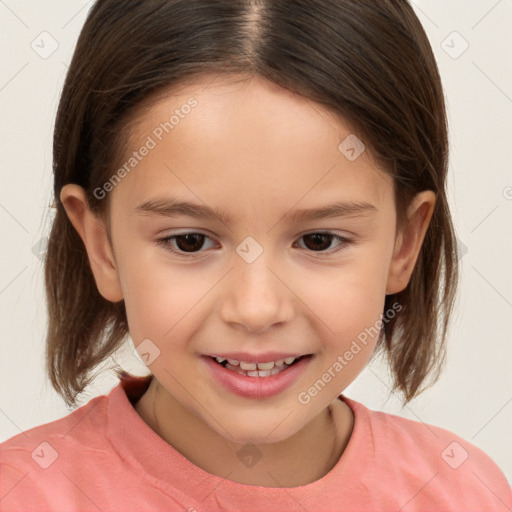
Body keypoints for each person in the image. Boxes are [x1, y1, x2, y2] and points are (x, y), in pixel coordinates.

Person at [1, 0, 510, 510]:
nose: (257, 308)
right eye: (190, 241)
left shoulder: (464, 492)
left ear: (404, 243)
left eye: (319, 241)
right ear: (102, 246)